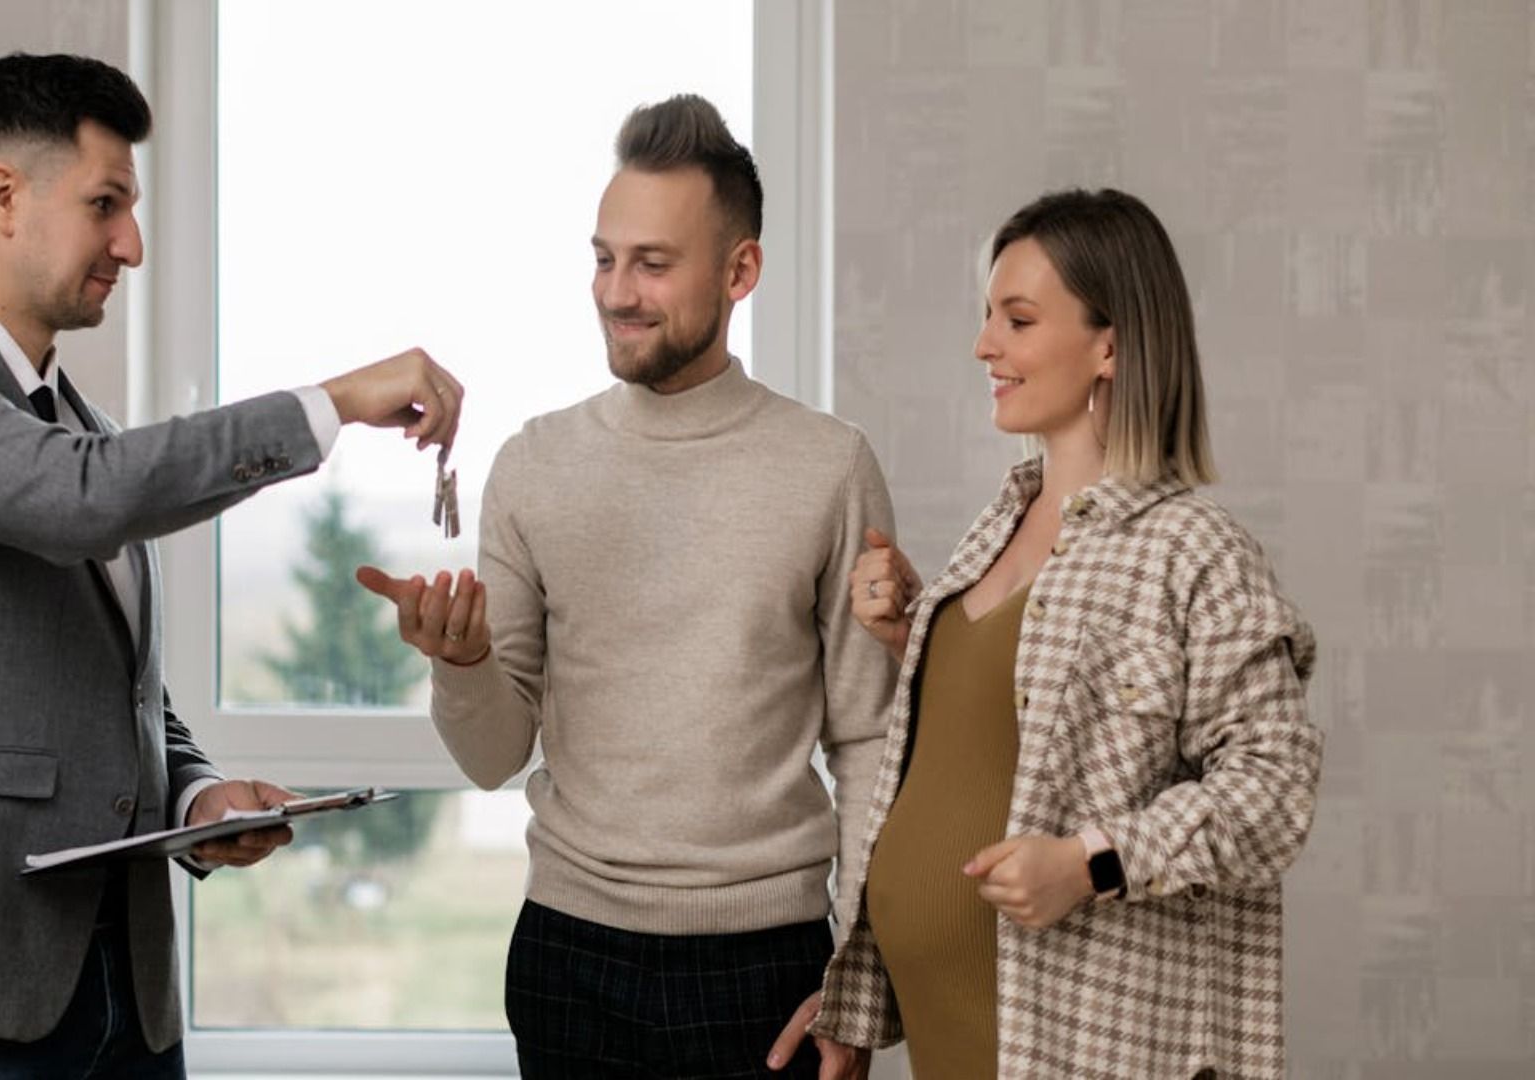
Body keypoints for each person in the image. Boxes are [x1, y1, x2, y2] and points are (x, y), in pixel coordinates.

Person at [0, 52, 463, 1078]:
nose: (134, 244)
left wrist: (198, 800)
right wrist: (329, 402)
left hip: (123, 994)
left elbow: (123, 695)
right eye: (106, 204)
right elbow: (86, 499)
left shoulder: (81, 430)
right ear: (3, 198)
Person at [357, 94, 908, 1080]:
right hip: (568, 956)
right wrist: (464, 664)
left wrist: (860, 980)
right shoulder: (534, 467)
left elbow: (868, 740)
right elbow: (492, 757)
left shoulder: (829, 466)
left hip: (768, 963)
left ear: (741, 270)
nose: (617, 291)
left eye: (653, 263)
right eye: (604, 258)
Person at [774, 188, 1322, 1079]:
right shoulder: (1001, 522)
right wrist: (911, 635)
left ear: (1109, 344)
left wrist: (1092, 865)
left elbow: (1275, 793)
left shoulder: (1195, 550)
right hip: (952, 1040)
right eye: (988, 316)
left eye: (1018, 320)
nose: (985, 345)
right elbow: (997, 734)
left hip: (1086, 1046)